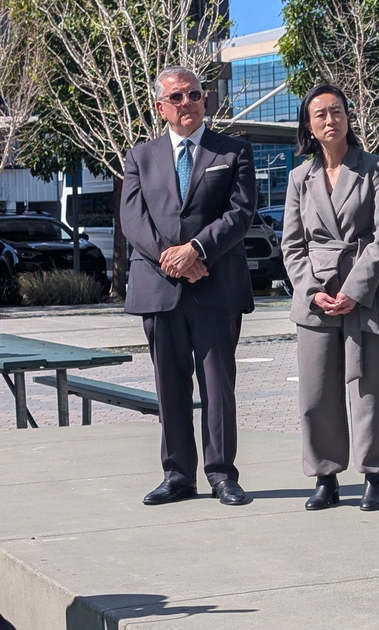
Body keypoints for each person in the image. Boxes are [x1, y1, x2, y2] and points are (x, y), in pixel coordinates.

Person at [122, 66, 256, 507]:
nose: (188, 103)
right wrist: (174, 259)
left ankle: (222, 474)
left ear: (205, 100)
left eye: (195, 95)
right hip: (159, 289)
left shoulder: (233, 151)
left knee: (218, 385)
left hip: (216, 288)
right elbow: (132, 220)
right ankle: (178, 475)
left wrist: (197, 250)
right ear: (161, 107)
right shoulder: (140, 157)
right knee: (170, 386)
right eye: (176, 97)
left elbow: (240, 214)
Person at [282, 84, 379, 512]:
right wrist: (313, 293)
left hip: (364, 292)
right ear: (309, 127)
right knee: (316, 392)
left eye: (337, 112)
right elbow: (292, 246)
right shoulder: (300, 177)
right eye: (320, 115)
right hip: (315, 297)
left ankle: (375, 475)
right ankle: (326, 477)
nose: (330, 121)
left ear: (349, 117)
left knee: (371, 389)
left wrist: (354, 290)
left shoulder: (373, 167)